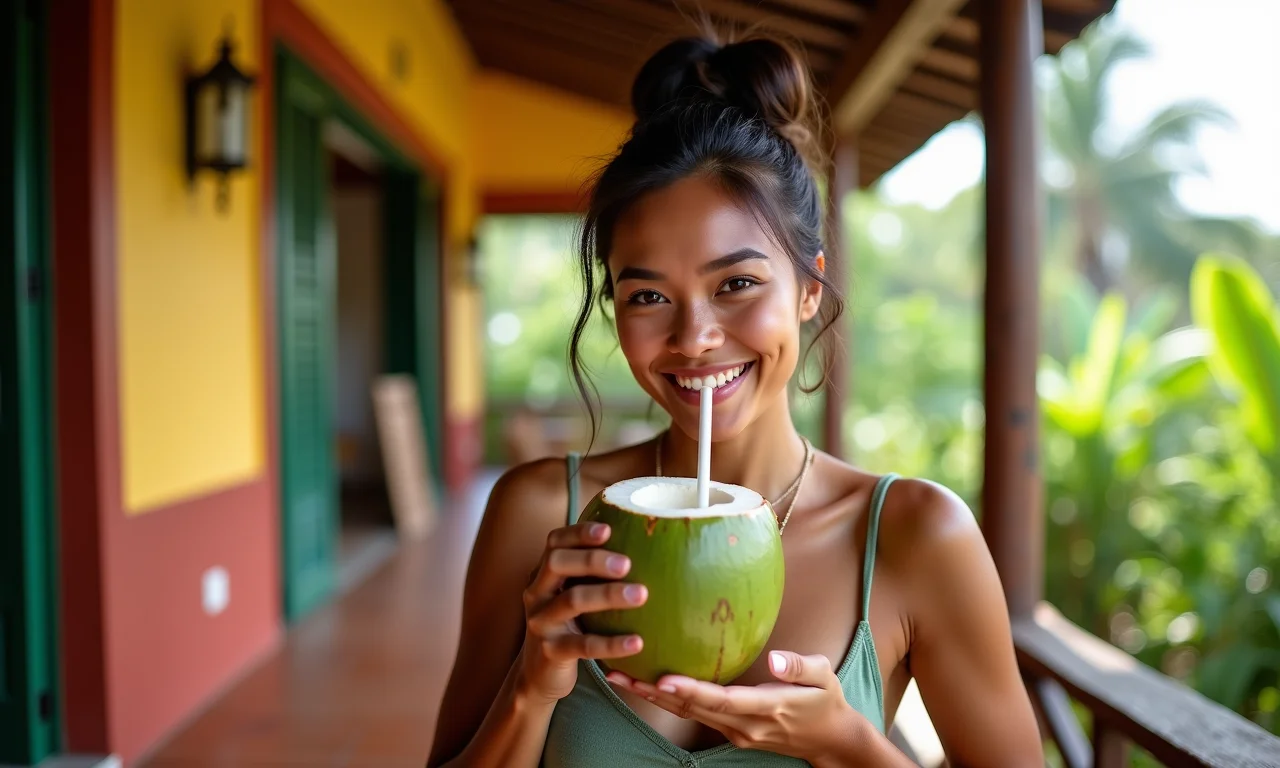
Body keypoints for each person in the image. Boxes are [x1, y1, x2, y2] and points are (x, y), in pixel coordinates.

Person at [427, 30, 1042, 768]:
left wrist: (848, 745)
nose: (694, 338)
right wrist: (529, 690)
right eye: (647, 295)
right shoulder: (542, 517)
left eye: (737, 284)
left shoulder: (915, 538)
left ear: (809, 288)